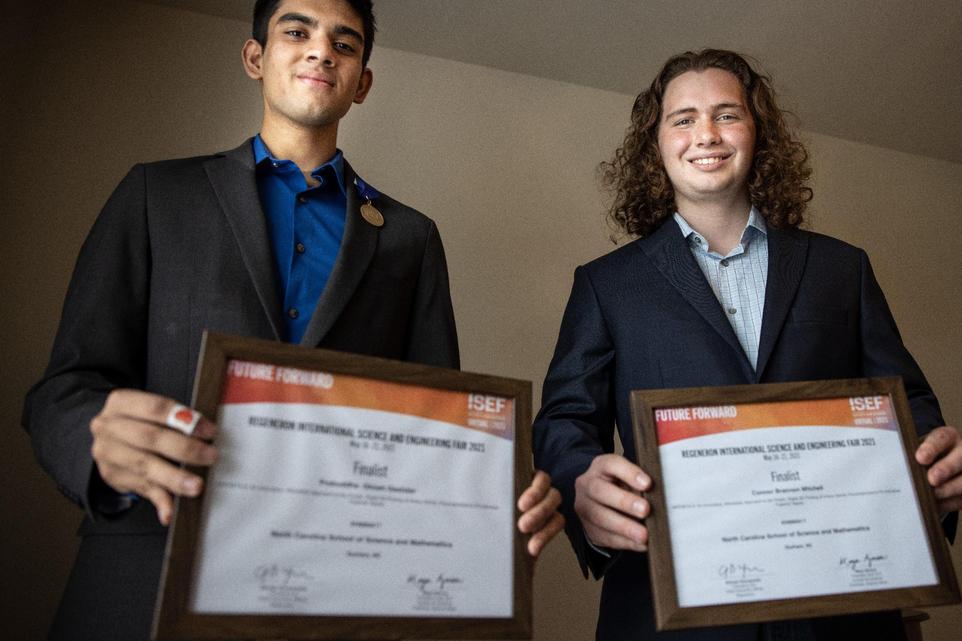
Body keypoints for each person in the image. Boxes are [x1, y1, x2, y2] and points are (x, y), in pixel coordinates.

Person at [23, 1, 562, 639]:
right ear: (257, 57)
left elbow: (431, 424)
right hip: (145, 574)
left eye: (345, 42)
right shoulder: (154, 195)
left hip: (334, 589)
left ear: (361, 82)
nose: (321, 50)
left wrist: (486, 492)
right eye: (297, 31)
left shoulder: (410, 237)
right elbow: (63, 388)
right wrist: (95, 440)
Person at [532, 49, 962, 641]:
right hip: (668, 613)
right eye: (683, 118)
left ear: (758, 133)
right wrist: (581, 483)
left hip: (842, 608)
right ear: (655, 144)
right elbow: (565, 421)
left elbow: (908, 403)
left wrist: (935, 461)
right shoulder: (605, 283)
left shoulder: (841, 269)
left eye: (727, 114)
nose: (707, 134)